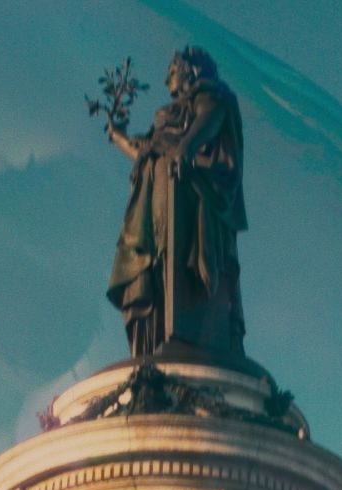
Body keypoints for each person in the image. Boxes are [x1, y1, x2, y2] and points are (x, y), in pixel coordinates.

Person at [105, 46, 246, 359]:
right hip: (154, 207)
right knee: (153, 267)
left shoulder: (210, 95)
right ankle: (156, 339)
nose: (167, 76)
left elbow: (209, 118)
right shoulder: (168, 119)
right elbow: (147, 154)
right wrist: (120, 138)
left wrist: (187, 147)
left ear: (191, 71)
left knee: (176, 264)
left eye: (173, 68)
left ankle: (185, 329)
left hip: (189, 203)